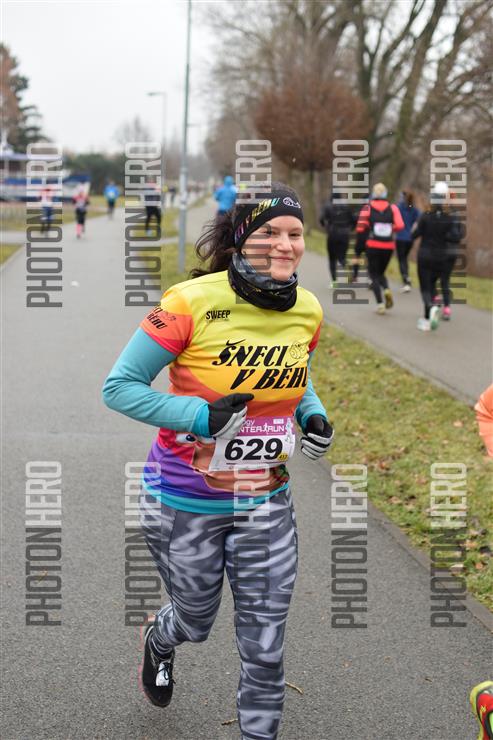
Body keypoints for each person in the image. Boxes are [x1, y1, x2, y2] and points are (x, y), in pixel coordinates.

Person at [102, 182, 334, 739]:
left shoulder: (307, 309)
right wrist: (199, 417)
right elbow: (120, 387)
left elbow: (294, 375)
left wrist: (313, 414)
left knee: (266, 646)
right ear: (240, 239)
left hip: (265, 501)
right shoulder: (187, 302)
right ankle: (161, 637)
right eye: (270, 233)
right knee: (195, 619)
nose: (285, 245)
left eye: (295, 233)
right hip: (183, 500)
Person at [412, 181, 462, 331]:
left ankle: (430, 309)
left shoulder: (425, 215)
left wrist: (416, 229)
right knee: (436, 283)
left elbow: (414, 234)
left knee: (425, 287)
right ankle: (433, 311)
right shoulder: (450, 217)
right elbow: (456, 237)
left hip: (425, 255)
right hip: (441, 257)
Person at [355, 183, 404, 314]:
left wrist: (369, 226)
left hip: (373, 245)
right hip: (388, 246)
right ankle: (386, 289)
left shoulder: (367, 208)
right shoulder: (393, 208)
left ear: (373, 194)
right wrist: (389, 228)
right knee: (381, 273)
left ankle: (380, 304)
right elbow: (400, 225)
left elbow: (359, 227)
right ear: (385, 194)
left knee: (373, 274)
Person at [319, 191, 357, 287]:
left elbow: (321, 219)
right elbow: (354, 220)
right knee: (342, 257)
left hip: (333, 234)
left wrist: (326, 227)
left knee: (332, 258)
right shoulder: (347, 207)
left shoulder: (328, 206)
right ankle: (348, 268)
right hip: (345, 235)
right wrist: (350, 229)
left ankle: (334, 281)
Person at [395, 190, 420, 292]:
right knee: (404, 258)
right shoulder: (414, 210)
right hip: (410, 239)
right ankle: (407, 278)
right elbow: (419, 221)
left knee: (401, 259)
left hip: (400, 238)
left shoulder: (400, 208)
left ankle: (406, 280)